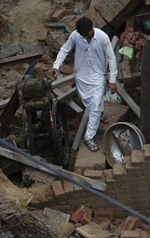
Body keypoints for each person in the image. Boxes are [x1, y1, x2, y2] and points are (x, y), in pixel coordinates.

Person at [48, 17, 117, 152]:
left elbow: (111, 58)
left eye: (88, 35)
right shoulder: (76, 36)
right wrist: (56, 66)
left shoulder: (103, 38)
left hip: (98, 77)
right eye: (83, 36)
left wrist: (113, 80)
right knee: (91, 104)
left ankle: (88, 137)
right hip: (81, 76)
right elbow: (64, 50)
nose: (86, 38)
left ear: (92, 28)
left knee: (95, 105)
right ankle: (100, 115)